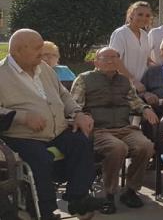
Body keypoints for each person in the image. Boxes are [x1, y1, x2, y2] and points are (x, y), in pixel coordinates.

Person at [0, 29, 102, 220]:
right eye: (37, 48)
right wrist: (22, 117)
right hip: (22, 135)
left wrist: (77, 113)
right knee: (40, 159)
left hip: (57, 130)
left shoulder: (44, 68)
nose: (42, 52)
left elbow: (63, 94)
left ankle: (77, 198)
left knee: (80, 142)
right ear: (17, 51)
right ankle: (45, 211)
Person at [71, 47, 159, 213]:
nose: (111, 60)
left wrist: (146, 108)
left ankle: (131, 190)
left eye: (115, 57)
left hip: (124, 127)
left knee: (146, 146)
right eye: (106, 57)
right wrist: (81, 117)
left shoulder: (125, 81)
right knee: (118, 148)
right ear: (96, 61)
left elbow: (135, 102)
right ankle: (109, 194)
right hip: (98, 129)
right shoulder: (84, 79)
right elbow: (74, 106)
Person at [109, 0, 155, 91]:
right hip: (123, 86)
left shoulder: (145, 35)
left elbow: (146, 59)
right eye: (140, 14)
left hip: (142, 86)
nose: (143, 18)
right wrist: (133, 81)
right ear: (131, 15)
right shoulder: (120, 33)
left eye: (147, 16)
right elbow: (115, 60)